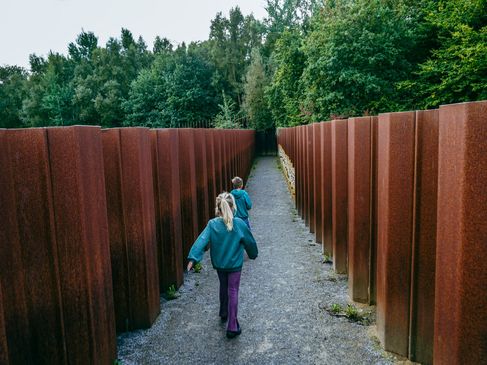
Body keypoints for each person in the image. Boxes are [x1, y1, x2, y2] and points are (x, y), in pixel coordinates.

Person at [187, 192, 258, 339]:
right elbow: (250, 241)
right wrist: (252, 254)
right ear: (233, 208)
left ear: (218, 209)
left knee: (223, 286)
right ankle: (232, 326)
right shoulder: (239, 223)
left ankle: (223, 312)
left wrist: (193, 258)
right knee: (233, 290)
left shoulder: (213, 224)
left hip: (220, 264)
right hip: (234, 265)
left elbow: (202, 239)